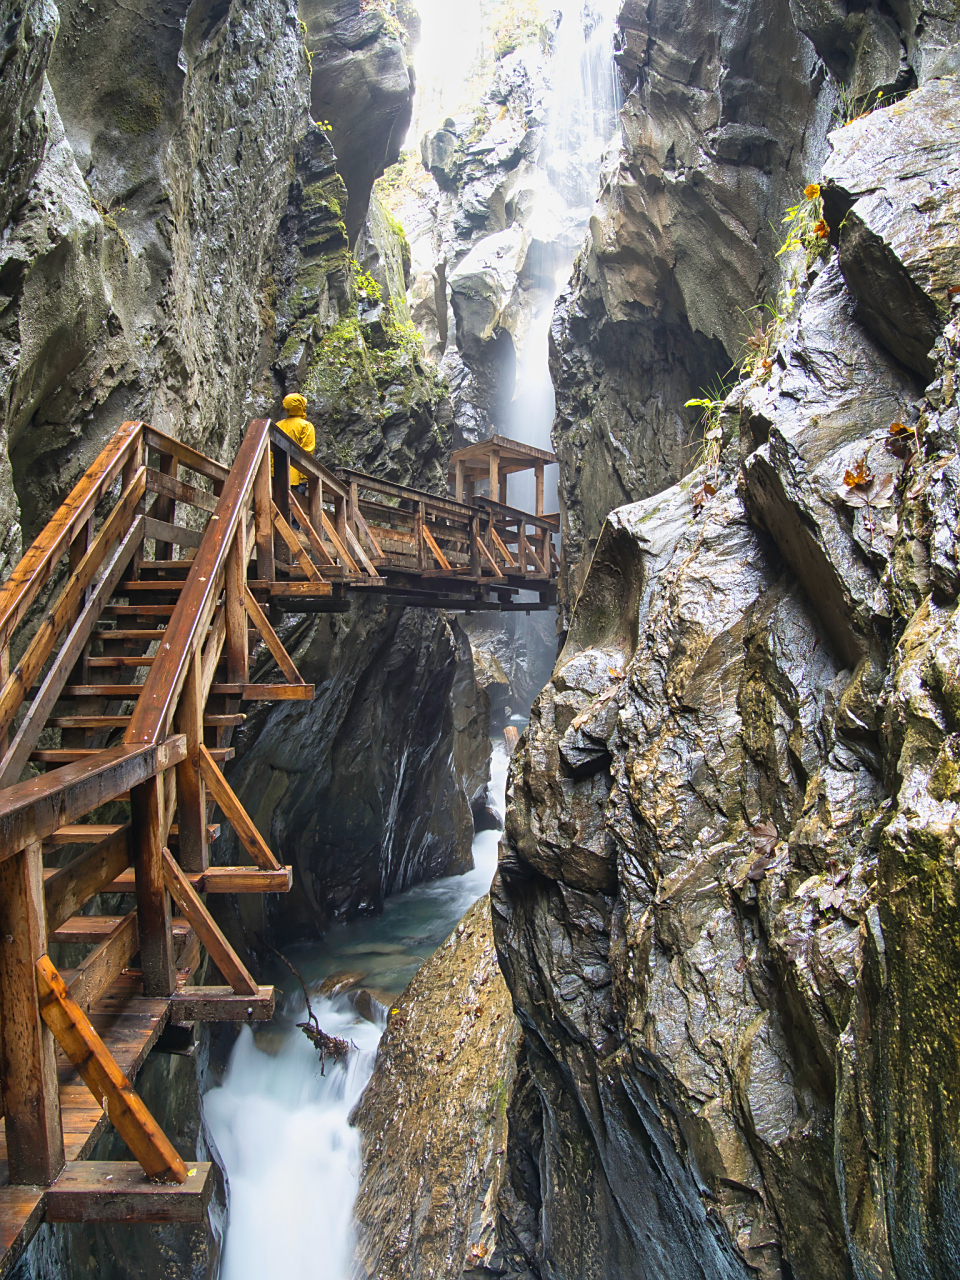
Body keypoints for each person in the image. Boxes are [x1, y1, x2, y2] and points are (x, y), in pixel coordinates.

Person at [275, 393, 316, 499]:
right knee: (295, 509)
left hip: (278, 474)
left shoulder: (278, 425)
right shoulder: (306, 426)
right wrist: (304, 476)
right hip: (297, 477)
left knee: (279, 506)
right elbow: (307, 452)